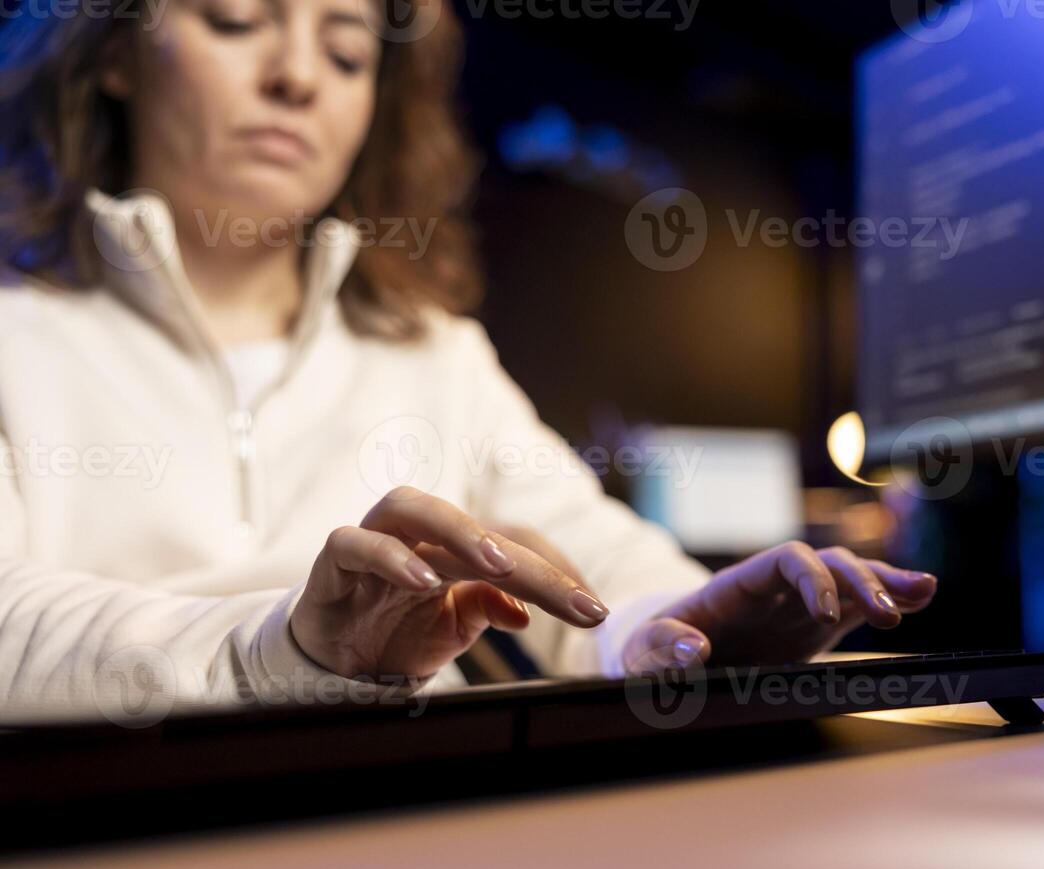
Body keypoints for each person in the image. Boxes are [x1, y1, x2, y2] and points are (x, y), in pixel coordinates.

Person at [0, 0, 938, 719]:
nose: (297, 77)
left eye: (346, 52)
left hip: (420, 825)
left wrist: (681, 620)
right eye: (236, 20)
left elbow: (591, 553)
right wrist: (274, 648)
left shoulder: (433, 353)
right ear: (113, 51)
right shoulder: (19, 334)